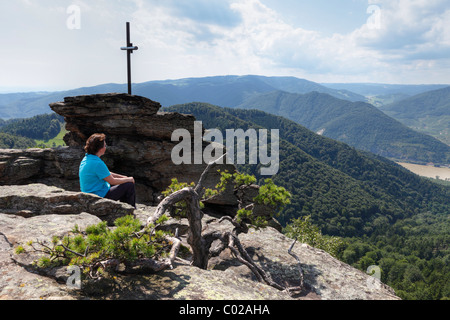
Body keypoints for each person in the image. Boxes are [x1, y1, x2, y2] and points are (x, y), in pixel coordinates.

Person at [79, 133, 136, 208]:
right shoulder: (97, 163)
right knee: (129, 185)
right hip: (98, 197)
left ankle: (124, 208)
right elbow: (112, 181)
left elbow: (107, 174)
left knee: (125, 182)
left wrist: (124, 177)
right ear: (100, 148)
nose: (106, 147)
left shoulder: (87, 158)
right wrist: (129, 179)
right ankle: (129, 211)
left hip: (89, 194)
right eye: (105, 145)